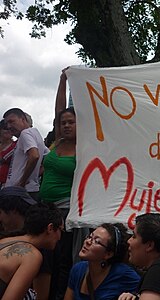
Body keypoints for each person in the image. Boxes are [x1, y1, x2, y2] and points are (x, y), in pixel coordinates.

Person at [40, 68, 87, 300]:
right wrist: (62, 80)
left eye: (72, 122)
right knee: (45, 258)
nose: (67, 125)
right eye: (64, 123)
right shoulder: (57, 142)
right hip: (45, 208)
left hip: (66, 211)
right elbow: (59, 109)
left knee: (63, 259)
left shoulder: (86, 148)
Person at [0, 202, 63, 299]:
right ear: (50, 228)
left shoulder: (6, 240)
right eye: (60, 230)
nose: (59, 237)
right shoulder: (32, 256)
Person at [64, 223, 140, 300]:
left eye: (96, 241)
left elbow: (146, 291)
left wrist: (134, 295)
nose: (88, 241)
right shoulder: (78, 269)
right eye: (90, 236)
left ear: (108, 254)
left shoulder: (123, 273)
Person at [3, 108, 49, 200]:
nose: (9, 126)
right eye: (7, 123)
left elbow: (34, 155)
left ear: (23, 119)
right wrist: (34, 176)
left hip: (19, 191)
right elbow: (48, 158)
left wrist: (22, 182)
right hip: (31, 189)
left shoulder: (25, 133)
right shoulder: (36, 134)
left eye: (12, 121)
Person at [0, 120, 16, 189]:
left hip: (8, 185)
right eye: (5, 128)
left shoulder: (16, 145)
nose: (8, 131)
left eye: (11, 129)